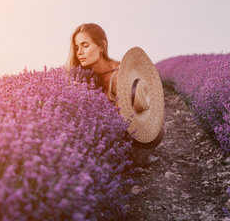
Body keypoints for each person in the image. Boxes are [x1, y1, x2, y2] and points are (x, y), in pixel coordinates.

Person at [64, 23, 160, 167]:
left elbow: (122, 122)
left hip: (130, 132)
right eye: (77, 47)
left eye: (85, 45)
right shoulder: (83, 74)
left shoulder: (118, 76)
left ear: (101, 46)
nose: (79, 52)